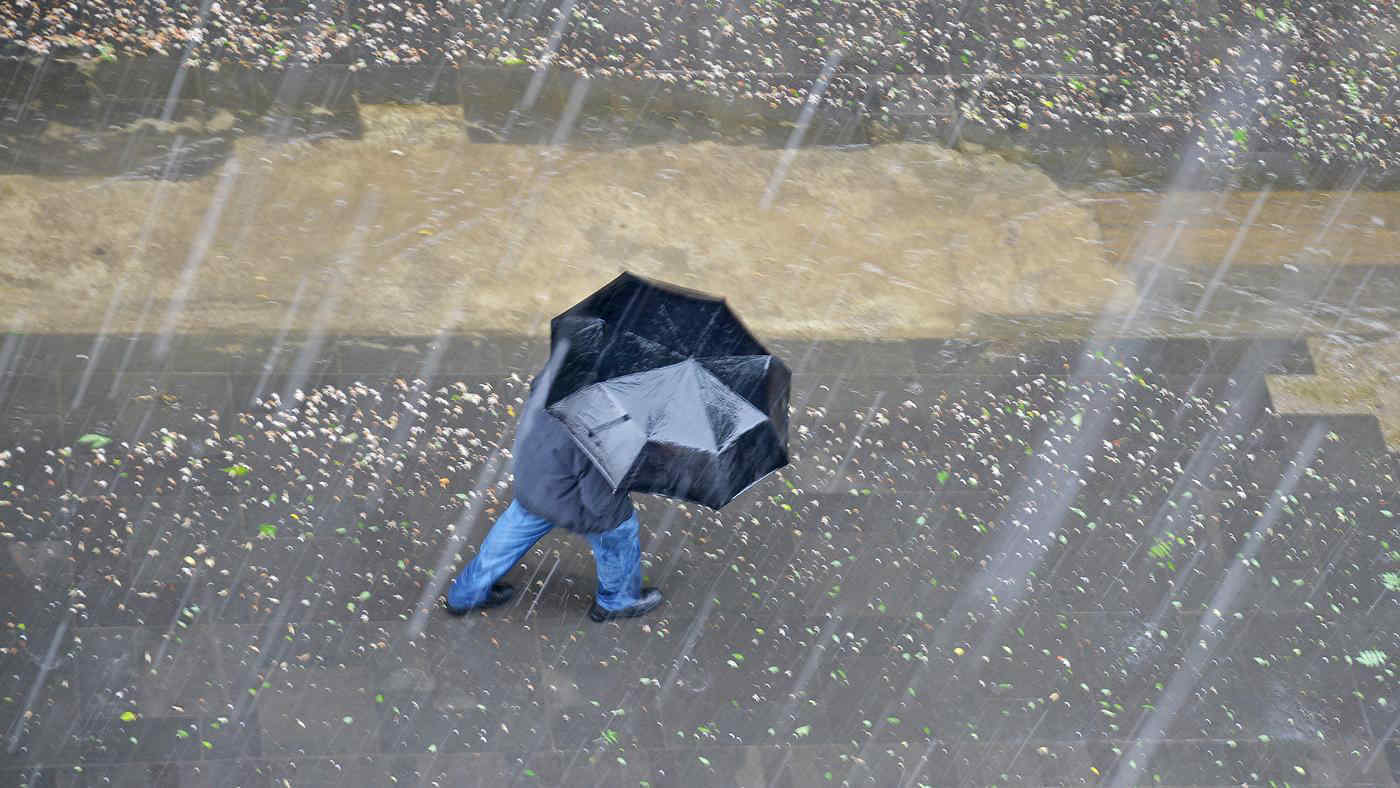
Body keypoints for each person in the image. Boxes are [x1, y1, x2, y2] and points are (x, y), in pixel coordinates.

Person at [444, 342, 664, 622]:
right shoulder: (609, 416)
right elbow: (598, 499)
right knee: (619, 532)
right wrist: (617, 513)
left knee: (515, 528)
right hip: (569, 493)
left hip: (535, 475)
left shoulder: (561, 370)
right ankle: (616, 601)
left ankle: (466, 594)